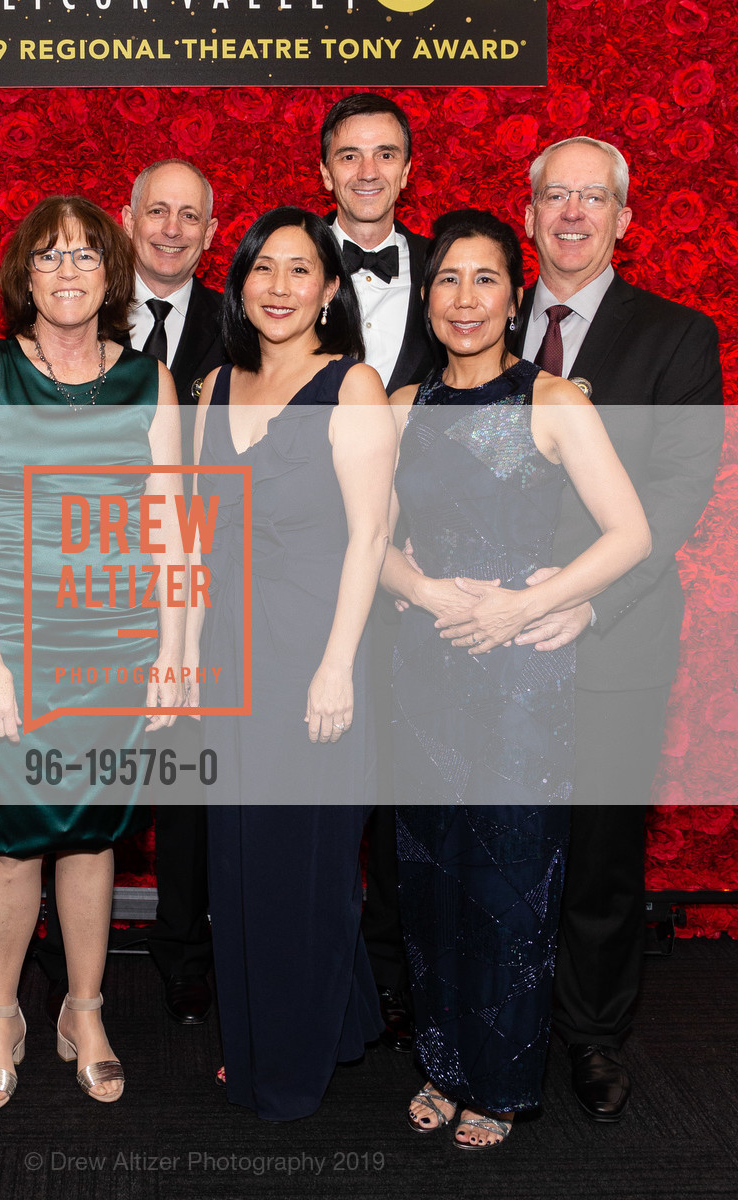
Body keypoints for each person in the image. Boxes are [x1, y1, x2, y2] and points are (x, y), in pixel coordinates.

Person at [381, 209, 651, 1147]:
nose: (465, 299)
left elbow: (631, 534)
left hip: (520, 682)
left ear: (515, 293)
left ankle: (500, 1083)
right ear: (429, 295)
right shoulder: (397, 406)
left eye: (486, 279)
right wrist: (417, 583)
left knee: (508, 879)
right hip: (420, 672)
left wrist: (527, 606)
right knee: (429, 877)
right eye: (448, 279)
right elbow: (367, 540)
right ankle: (443, 1066)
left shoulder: (555, 402)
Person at [0, 196, 183, 1109]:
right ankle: (2, 1013)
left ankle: (84, 1008)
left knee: (93, 838)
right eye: (52, 257)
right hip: (11, 642)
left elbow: (172, 528)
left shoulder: (149, 380)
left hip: (119, 643)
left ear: (111, 274)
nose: (71, 271)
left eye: (87, 255)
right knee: (10, 847)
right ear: (25, 276)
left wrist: (176, 654)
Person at [502, 137, 724, 1121]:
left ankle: (592, 1037)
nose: (574, 214)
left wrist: (590, 600)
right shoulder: (474, 316)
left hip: (613, 636)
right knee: (495, 841)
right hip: (484, 642)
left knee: (598, 853)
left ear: (626, 220)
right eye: (557, 196)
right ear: (531, 212)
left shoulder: (679, 335)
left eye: (595, 198)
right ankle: (492, 1020)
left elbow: (678, 497)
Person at [189, 207, 397, 1121]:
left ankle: (289, 1067)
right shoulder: (208, 391)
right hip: (231, 652)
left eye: (299, 269)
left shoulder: (352, 385)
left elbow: (371, 536)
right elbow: (193, 543)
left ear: (330, 288)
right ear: (238, 285)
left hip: (317, 645)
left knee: (303, 865)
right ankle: (316, 1024)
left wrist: (337, 666)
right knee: (240, 861)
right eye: (262, 268)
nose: (279, 286)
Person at [37, 160, 225, 1028]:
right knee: (64, 793)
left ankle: (186, 956)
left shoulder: (245, 316)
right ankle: (59, 965)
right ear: (127, 218)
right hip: (80, 604)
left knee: (187, 787)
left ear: (212, 232)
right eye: (158, 211)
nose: (172, 228)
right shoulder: (66, 320)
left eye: (191, 216)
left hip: (214, 587)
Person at [320, 93, 436, 1052]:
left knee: (406, 793)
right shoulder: (281, 268)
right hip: (303, 584)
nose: (367, 170)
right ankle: (319, 977)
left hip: (426, 581)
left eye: (385, 154)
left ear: (407, 169)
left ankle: (397, 986)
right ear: (323, 171)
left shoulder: (458, 274)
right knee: (311, 799)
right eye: (349, 155)